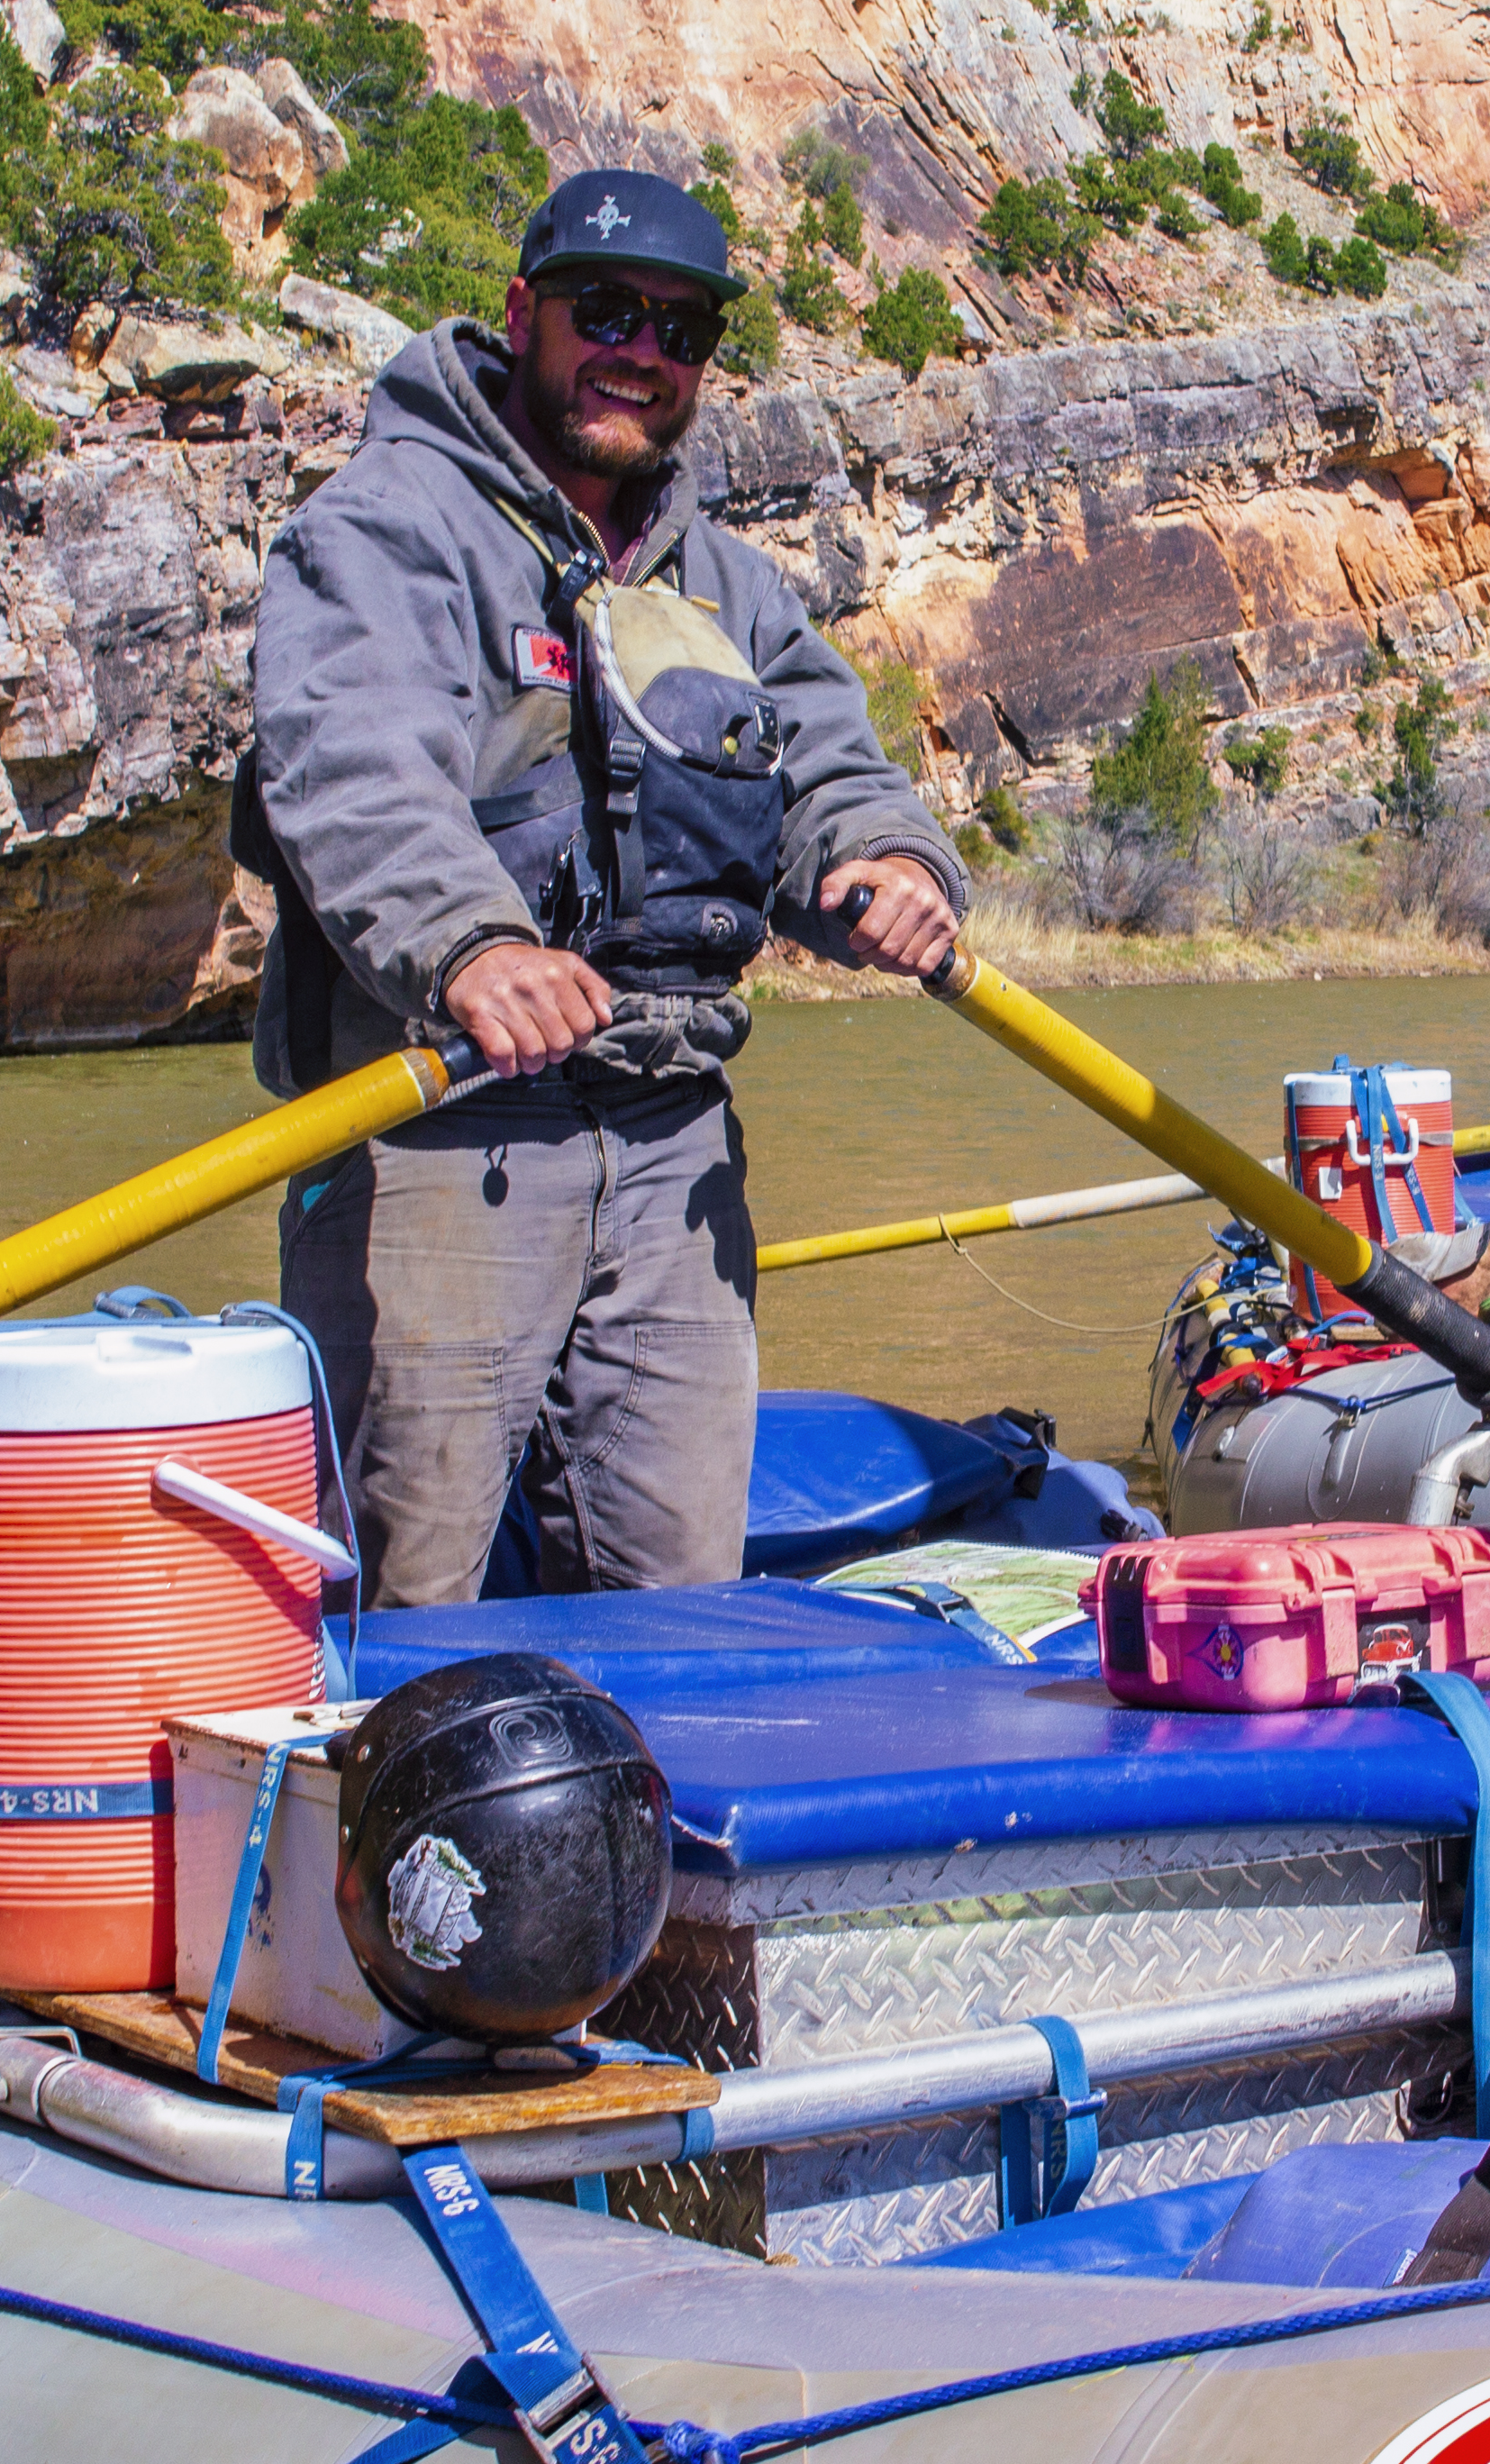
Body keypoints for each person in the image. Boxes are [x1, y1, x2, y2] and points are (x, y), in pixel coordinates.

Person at [247, 170, 968, 1607]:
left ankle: (632, 1829)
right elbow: (351, 759)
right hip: (441, 1121)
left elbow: (829, 766)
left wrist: (887, 863)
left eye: (681, 330)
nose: (641, 350)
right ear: (523, 314)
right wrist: (469, 947)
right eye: (606, 310)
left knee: (679, 1591)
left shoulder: (731, 585)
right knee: (406, 1582)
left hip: (670, 1137)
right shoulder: (382, 529)